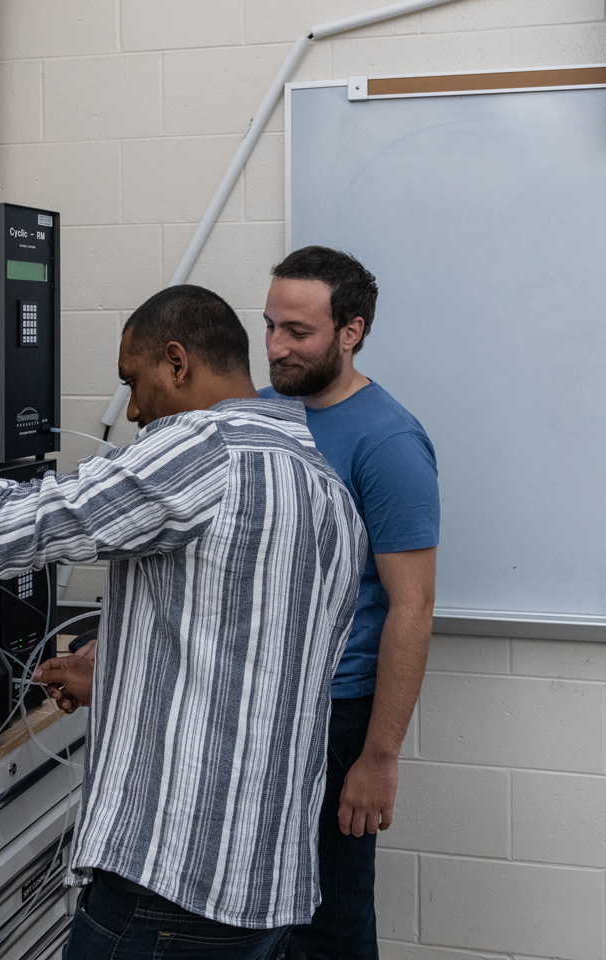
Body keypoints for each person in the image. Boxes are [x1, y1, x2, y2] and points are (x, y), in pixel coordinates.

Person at [0, 285, 366, 959]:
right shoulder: (320, 480)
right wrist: (116, 669)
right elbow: (247, 652)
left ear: (177, 362)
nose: (133, 409)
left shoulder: (202, 452)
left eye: (134, 383)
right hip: (262, 881)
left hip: (170, 886)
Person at [259, 246, 439, 960]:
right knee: (259, 916)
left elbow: (413, 608)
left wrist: (378, 758)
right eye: (270, 325)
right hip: (266, 705)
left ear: (350, 331)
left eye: (296, 332)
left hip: (338, 718)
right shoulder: (263, 417)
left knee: (328, 924)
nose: (275, 346)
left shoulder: (387, 440)